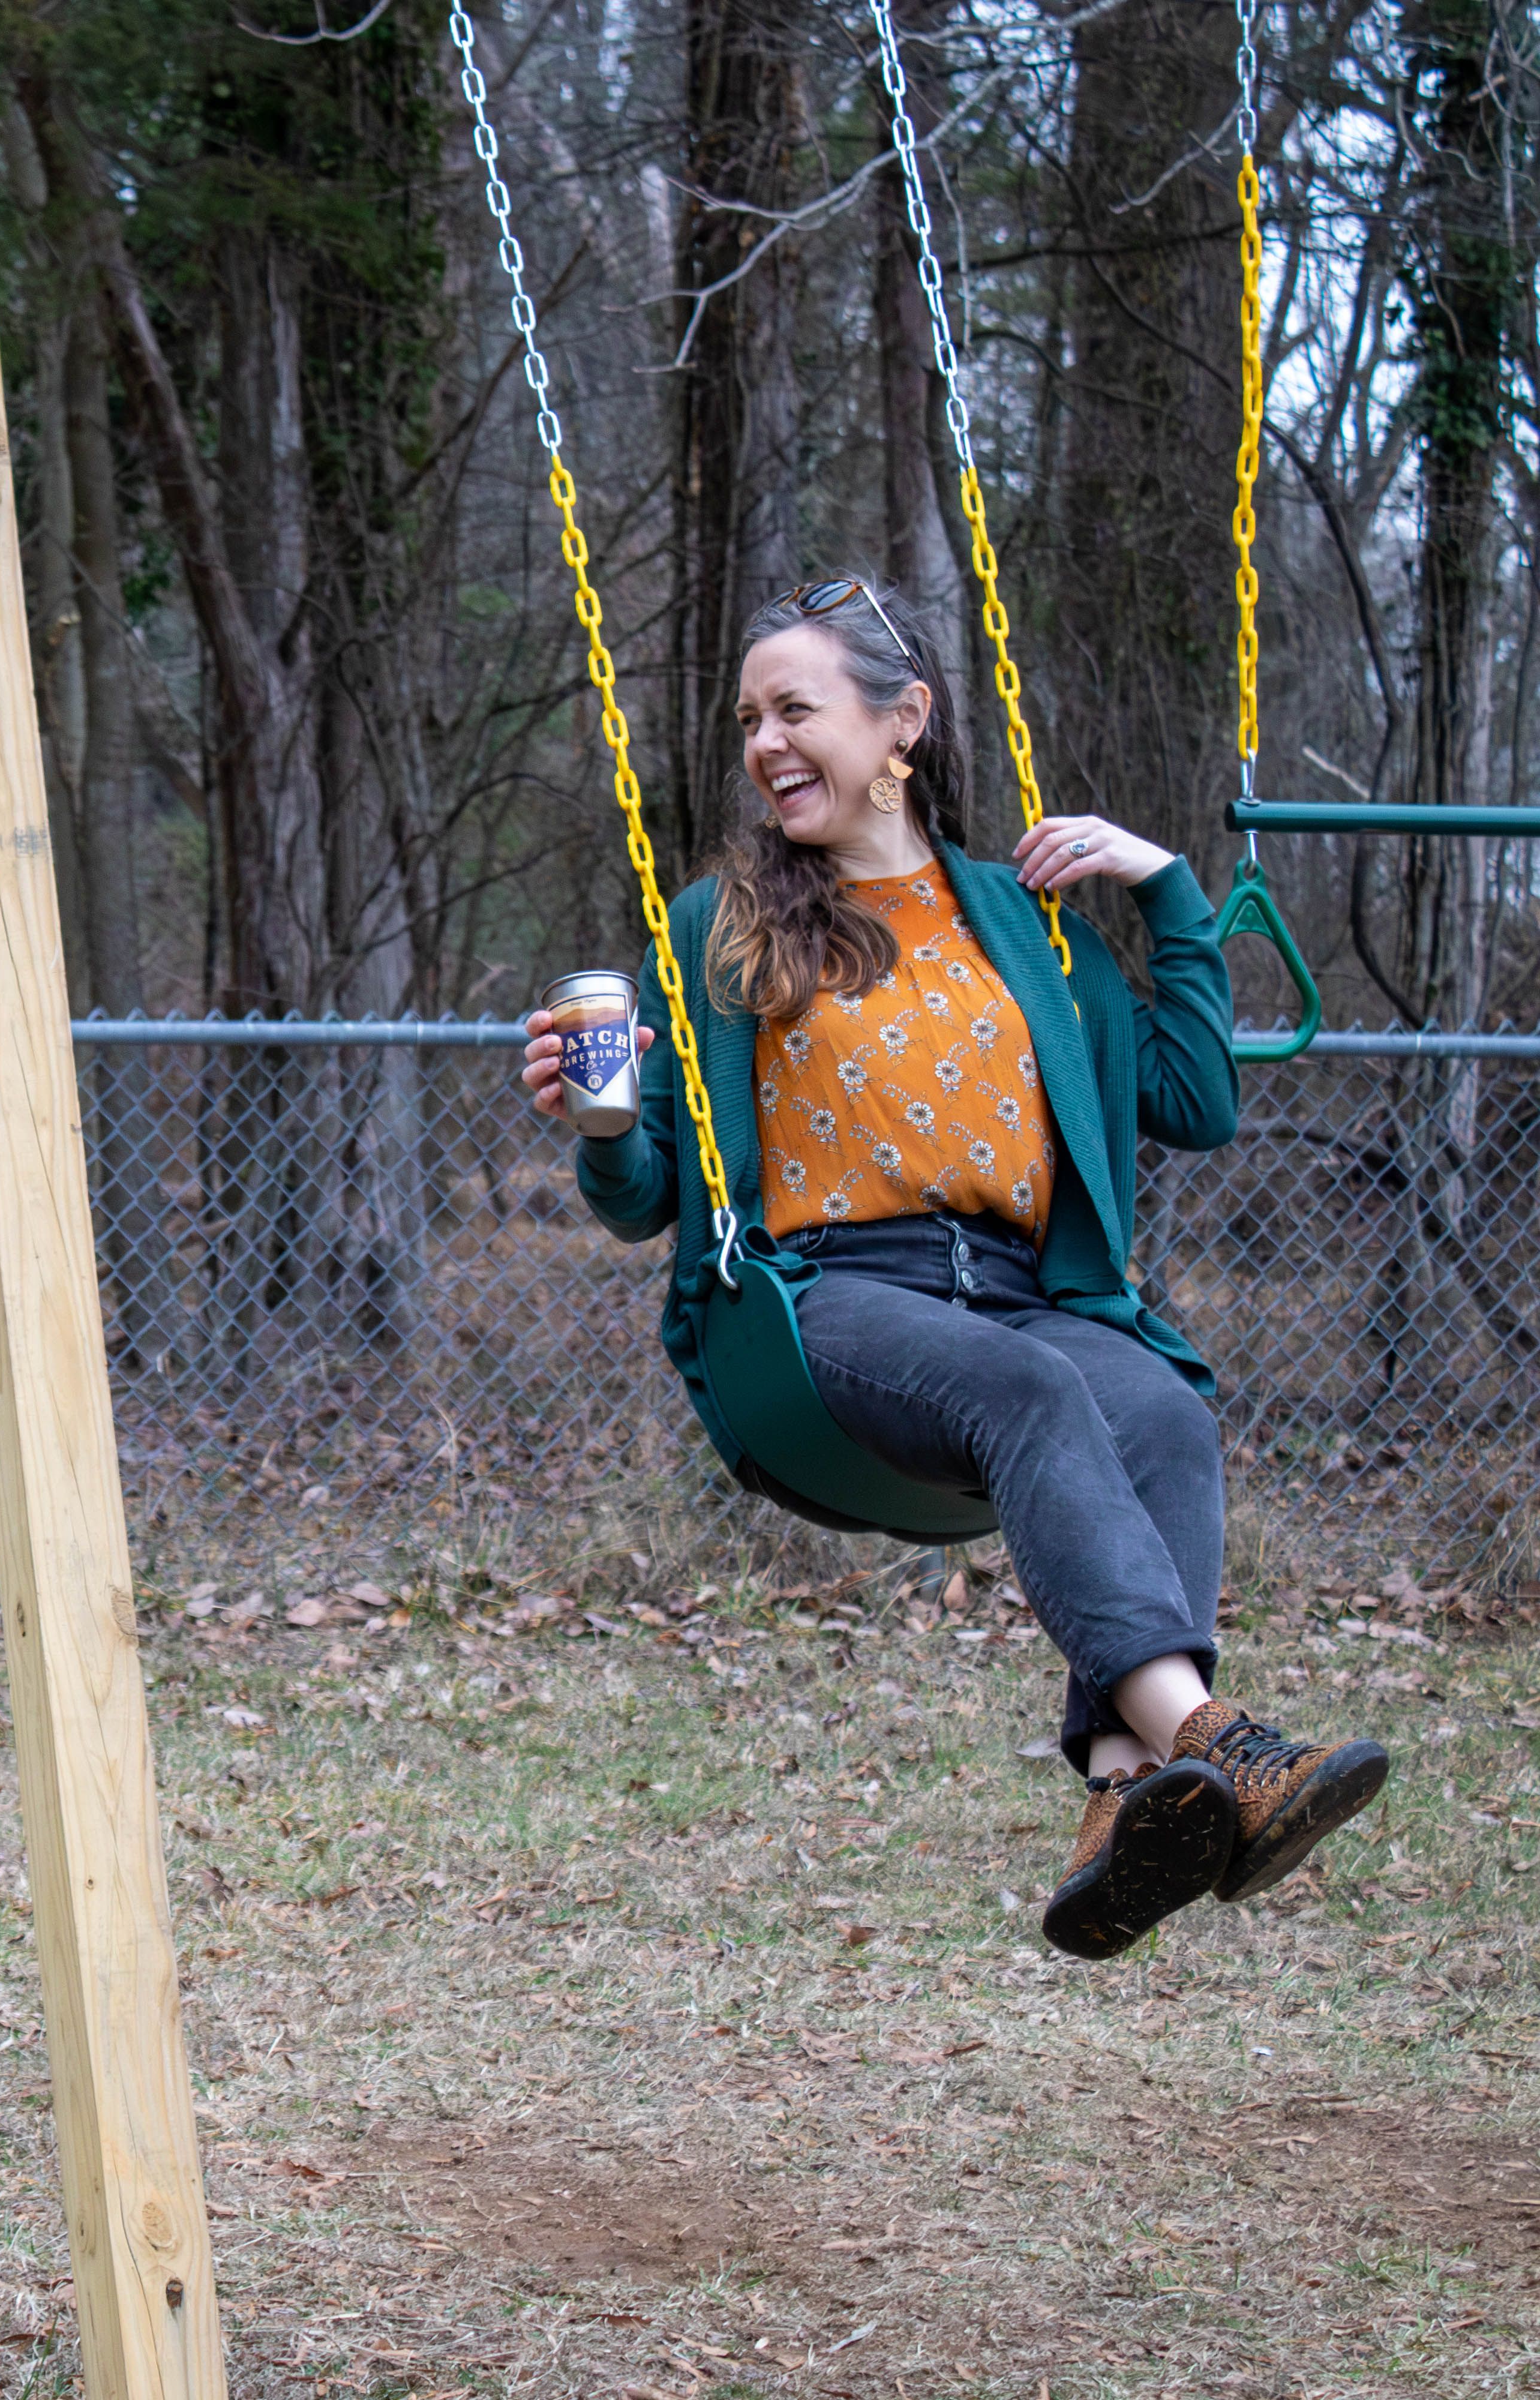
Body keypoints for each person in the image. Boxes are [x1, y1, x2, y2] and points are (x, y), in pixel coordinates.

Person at [518, 576, 1386, 1961]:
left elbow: (1199, 1098)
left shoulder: (1027, 921)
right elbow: (649, 1201)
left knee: (1162, 1406)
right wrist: (600, 1130)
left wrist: (1164, 892)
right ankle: (1225, 1746)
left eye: (795, 708)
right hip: (827, 1298)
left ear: (902, 720)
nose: (763, 743)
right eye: (750, 719)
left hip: (1021, 1282)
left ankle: (1121, 1797)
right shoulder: (721, 925)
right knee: (1034, 1387)